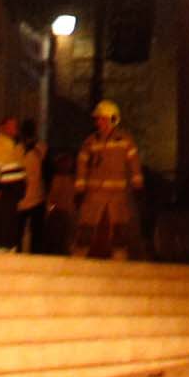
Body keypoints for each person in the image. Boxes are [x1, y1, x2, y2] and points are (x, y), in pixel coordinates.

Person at [71, 101, 144, 259]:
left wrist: (138, 186)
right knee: (86, 225)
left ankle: (119, 256)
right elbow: (82, 166)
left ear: (113, 119)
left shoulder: (125, 140)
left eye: (102, 118)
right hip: (94, 194)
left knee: (120, 225)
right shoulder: (90, 141)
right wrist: (79, 190)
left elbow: (134, 164)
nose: (98, 122)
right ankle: (79, 255)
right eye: (98, 119)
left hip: (118, 194)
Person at [0, 111, 35, 251]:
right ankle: (0, 253)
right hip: (3, 194)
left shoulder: (15, 146)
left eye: (15, 127)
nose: (14, 130)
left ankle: (8, 251)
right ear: (2, 128)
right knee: (2, 229)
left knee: (10, 228)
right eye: (10, 126)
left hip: (13, 195)